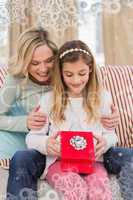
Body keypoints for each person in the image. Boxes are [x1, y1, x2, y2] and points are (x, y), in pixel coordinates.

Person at [25, 40, 118, 200]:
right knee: (75, 189)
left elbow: (111, 135)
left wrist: (106, 142)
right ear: (60, 73)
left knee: (100, 191)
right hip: (59, 163)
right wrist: (46, 143)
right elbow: (31, 138)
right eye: (69, 74)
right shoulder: (49, 100)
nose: (76, 80)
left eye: (82, 73)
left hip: (93, 162)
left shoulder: (103, 97)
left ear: (90, 70)